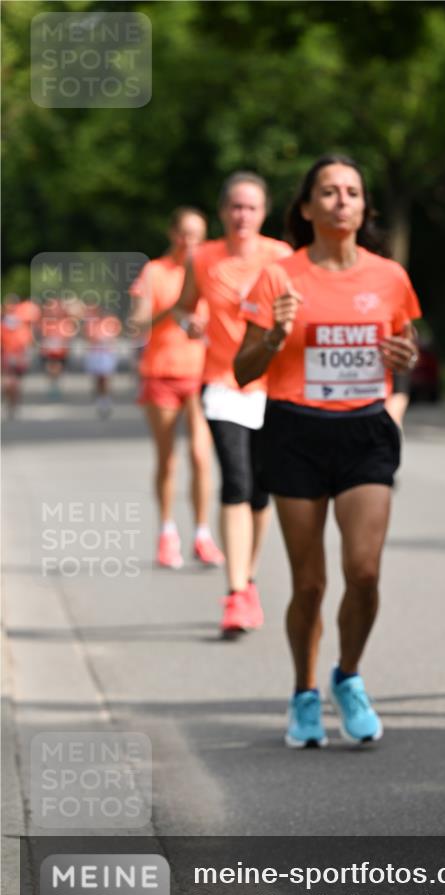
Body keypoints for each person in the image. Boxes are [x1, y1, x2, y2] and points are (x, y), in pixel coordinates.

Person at [235, 154, 420, 747]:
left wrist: (405, 363)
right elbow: (242, 371)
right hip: (294, 430)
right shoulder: (277, 276)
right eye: (329, 191)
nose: (342, 200)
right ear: (308, 207)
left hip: (365, 430)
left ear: (364, 207)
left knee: (363, 571)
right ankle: (304, 692)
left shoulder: (389, 276)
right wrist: (274, 335)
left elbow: (405, 352)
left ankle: (349, 675)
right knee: (309, 583)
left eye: (352, 192)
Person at [172, 173, 291, 637]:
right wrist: (190, 323)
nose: (242, 215)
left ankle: (250, 577)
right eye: (235, 207)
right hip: (221, 383)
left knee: (262, 491)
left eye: (252, 208)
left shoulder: (281, 257)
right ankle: (235, 591)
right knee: (236, 481)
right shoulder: (202, 257)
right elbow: (184, 306)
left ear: (263, 214)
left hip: (270, 386)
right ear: (222, 212)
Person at [129, 207, 224, 570]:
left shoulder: (210, 270)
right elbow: (136, 324)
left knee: (201, 456)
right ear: (172, 234)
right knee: (167, 459)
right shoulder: (154, 272)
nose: (190, 242)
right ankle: (167, 532)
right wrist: (171, 310)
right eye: (184, 233)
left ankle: (202, 534)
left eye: (197, 235)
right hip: (162, 373)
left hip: (202, 374)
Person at [1, 295, 40, 416]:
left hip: (18, 355)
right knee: (8, 382)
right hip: (6, 354)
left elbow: (27, 338)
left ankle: (14, 403)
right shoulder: (3, 320)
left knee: (16, 382)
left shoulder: (22, 321)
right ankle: (9, 400)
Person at [82, 304, 122, 418]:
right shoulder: (92, 322)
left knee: (106, 377)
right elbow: (88, 337)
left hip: (107, 353)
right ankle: (100, 398)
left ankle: (106, 399)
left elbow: (115, 336)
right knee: (97, 377)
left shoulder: (111, 321)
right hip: (95, 353)